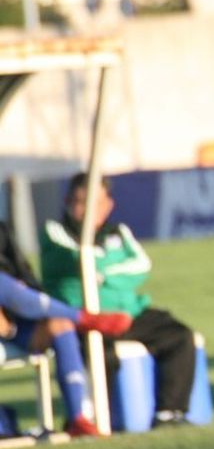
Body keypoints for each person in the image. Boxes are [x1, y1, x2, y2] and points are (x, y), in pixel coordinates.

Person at [41, 174, 199, 426]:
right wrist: (110, 263)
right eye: (82, 203)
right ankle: (92, 421)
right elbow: (78, 260)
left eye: (96, 203)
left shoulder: (118, 232)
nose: (88, 211)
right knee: (101, 358)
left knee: (178, 336)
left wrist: (104, 274)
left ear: (108, 205)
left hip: (125, 314)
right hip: (83, 318)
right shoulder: (55, 232)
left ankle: (169, 413)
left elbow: (140, 266)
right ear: (68, 201)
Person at [2, 217, 132, 437]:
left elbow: (20, 269)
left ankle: (77, 419)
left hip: (13, 323)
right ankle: (84, 318)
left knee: (59, 325)